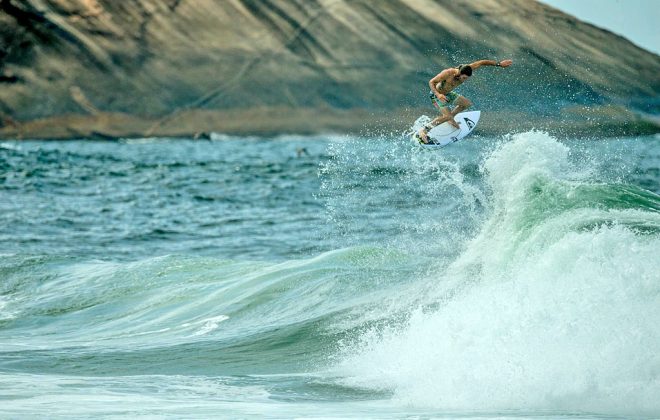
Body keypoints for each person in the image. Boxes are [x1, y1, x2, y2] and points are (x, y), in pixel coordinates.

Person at [416, 59, 513, 143]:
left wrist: (499, 64)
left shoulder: (468, 68)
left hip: (448, 94)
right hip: (436, 95)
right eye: (464, 78)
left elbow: (482, 62)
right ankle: (424, 130)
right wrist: (438, 94)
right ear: (459, 73)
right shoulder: (448, 72)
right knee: (446, 116)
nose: (465, 80)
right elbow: (431, 82)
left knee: (466, 104)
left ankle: (450, 118)